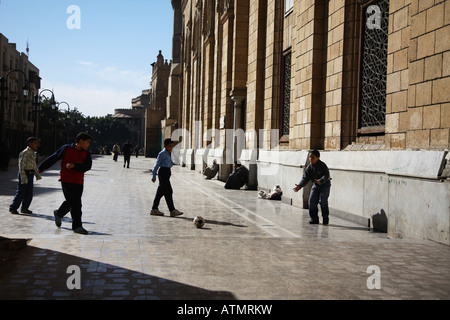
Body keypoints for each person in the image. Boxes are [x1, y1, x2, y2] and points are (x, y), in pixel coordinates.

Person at [38, 132, 92, 235]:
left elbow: (87, 166)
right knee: (76, 203)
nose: (89, 144)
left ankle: (59, 213)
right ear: (80, 141)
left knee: (71, 201)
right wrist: (42, 167)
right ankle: (77, 226)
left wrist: (75, 166)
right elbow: (54, 157)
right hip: (66, 180)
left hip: (78, 181)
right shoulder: (66, 148)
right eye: (87, 142)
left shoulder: (86, 153)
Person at [293, 150, 331, 225]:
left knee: (323, 201)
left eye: (313, 158)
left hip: (325, 185)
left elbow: (326, 175)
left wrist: (321, 181)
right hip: (316, 185)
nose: (311, 159)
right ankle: (314, 219)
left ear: (318, 158)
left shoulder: (323, 165)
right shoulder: (309, 168)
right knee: (312, 201)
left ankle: (325, 218)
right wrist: (299, 186)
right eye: (310, 158)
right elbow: (305, 178)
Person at [150, 138, 183, 217]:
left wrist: (173, 163)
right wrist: (154, 175)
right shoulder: (162, 153)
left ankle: (154, 209)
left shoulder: (169, 153)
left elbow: (170, 162)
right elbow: (156, 165)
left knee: (160, 192)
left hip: (167, 172)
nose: (171, 148)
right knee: (168, 191)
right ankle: (172, 210)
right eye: (169, 146)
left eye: (172, 146)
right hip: (163, 173)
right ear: (165, 146)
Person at [9, 137, 42, 215]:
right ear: (29, 143)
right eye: (35, 143)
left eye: (37, 143)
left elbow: (33, 165)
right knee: (21, 192)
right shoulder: (25, 152)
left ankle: (25, 208)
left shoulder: (33, 152)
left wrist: (37, 174)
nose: (37, 145)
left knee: (29, 193)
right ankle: (13, 207)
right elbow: (21, 165)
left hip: (30, 174)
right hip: (24, 174)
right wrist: (23, 176)